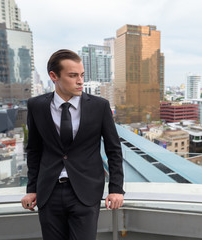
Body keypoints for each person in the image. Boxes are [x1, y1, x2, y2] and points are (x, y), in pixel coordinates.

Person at [21, 49, 124, 240]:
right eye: (73, 75)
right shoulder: (36, 105)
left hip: (85, 193)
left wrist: (116, 189)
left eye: (82, 75)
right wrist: (31, 189)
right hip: (48, 193)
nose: (80, 81)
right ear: (54, 76)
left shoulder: (99, 106)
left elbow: (114, 150)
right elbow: (34, 150)